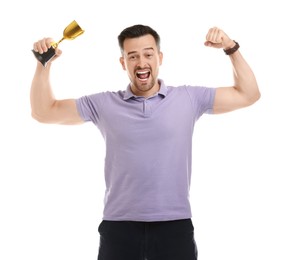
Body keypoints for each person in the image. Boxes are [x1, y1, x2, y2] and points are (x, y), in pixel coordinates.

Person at [30, 24, 260, 260]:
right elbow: (43, 112)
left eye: (148, 54)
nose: (141, 62)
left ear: (159, 58)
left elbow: (248, 94)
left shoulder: (189, 98)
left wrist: (230, 48)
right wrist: (43, 64)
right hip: (119, 228)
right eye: (133, 56)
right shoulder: (103, 104)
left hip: (174, 226)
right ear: (123, 63)